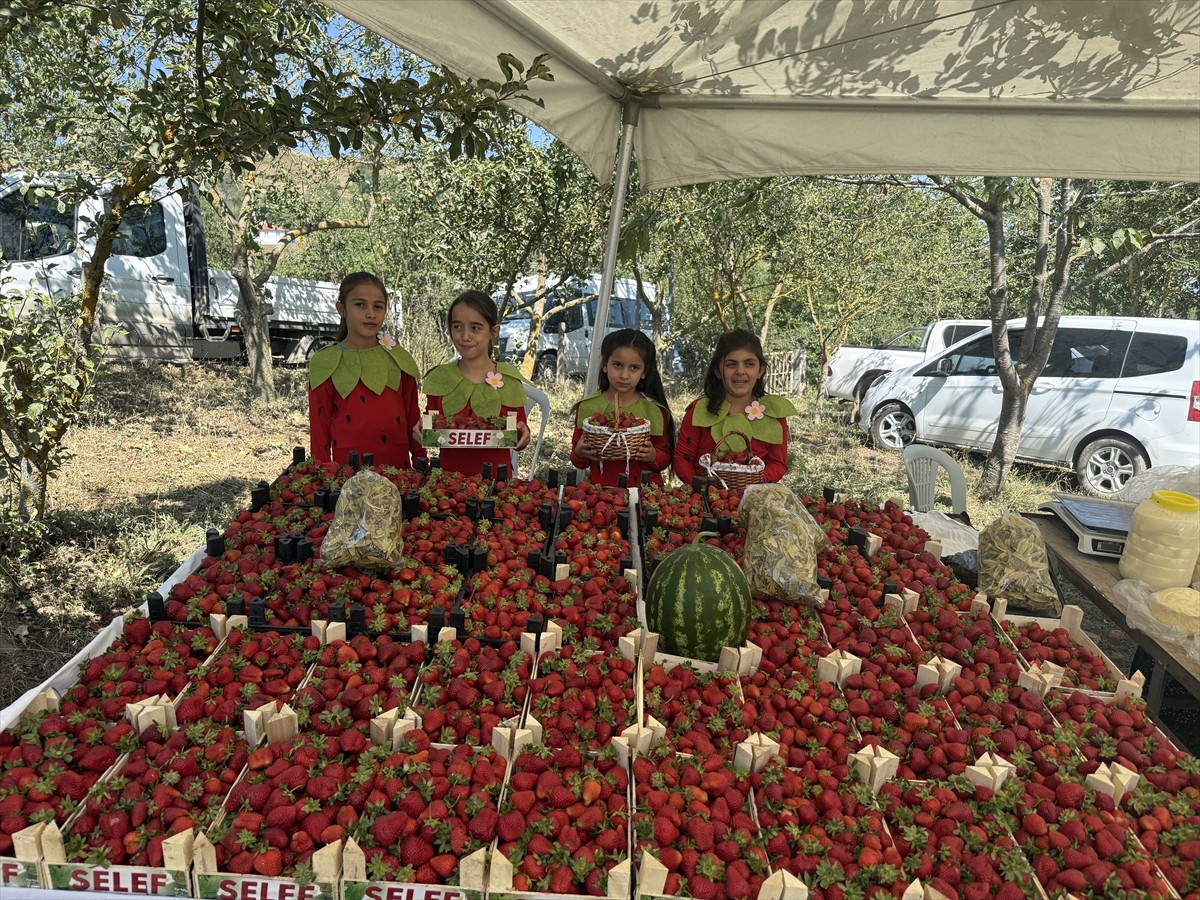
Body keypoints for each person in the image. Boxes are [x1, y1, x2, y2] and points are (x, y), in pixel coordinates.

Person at [309, 272, 423, 469]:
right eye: (360, 304)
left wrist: (422, 464)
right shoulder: (326, 362)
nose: (371, 313)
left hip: (399, 473)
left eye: (378, 306)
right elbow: (319, 427)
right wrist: (322, 475)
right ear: (341, 309)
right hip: (348, 474)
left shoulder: (398, 358)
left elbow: (413, 418)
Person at [420, 291, 531, 476]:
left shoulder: (508, 381)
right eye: (457, 326)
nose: (465, 336)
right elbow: (430, 425)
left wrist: (523, 434)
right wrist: (422, 428)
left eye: (475, 328)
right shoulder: (440, 379)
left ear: (494, 332)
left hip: (497, 482)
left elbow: (518, 434)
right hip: (449, 483)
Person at [673, 329, 796, 487]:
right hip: (703, 504)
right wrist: (700, 486)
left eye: (749, 364)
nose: (740, 371)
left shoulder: (774, 414)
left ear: (761, 370)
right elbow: (682, 459)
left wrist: (751, 484)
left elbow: (778, 463)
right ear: (718, 370)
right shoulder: (698, 411)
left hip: (753, 502)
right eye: (731, 364)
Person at [570, 329, 674, 487]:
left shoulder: (654, 411)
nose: (624, 375)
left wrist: (653, 456)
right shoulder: (588, 407)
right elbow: (579, 460)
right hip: (602, 495)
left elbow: (664, 458)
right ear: (604, 365)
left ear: (644, 372)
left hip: (645, 495)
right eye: (617, 365)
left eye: (634, 368)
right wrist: (579, 453)